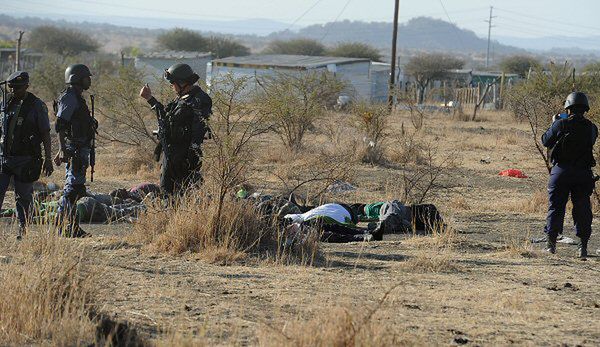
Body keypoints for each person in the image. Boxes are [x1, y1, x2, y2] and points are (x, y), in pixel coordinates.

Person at [139, 63, 212, 197]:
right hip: (171, 151)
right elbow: (166, 117)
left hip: (185, 155)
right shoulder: (181, 98)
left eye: (173, 83)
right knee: (166, 189)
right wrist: (150, 99)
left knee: (184, 191)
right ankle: (170, 214)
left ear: (181, 82)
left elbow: (199, 128)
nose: (172, 86)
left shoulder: (199, 99)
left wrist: (191, 153)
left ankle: (181, 215)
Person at [542, 91, 598, 258]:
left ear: (568, 108)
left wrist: (555, 123)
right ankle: (583, 247)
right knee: (582, 209)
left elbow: (545, 141)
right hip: (583, 174)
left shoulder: (561, 124)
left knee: (556, 207)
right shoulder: (592, 127)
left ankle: (551, 245)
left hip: (561, 172)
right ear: (585, 108)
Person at [0, 71, 53, 239]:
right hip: (5, 159)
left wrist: (48, 158)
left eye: (17, 88)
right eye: (11, 88)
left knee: (23, 198)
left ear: (26, 87)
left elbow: (45, 133)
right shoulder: (6, 103)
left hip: (26, 160)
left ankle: (23, 230)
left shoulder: (36, 105)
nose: (14, 91)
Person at [54, 64, 97, 237]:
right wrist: (62, 149)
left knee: (76, 188)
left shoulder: (77, 97)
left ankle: (69, 226)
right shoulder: (70, 97)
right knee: (73, 189)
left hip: (80, 148)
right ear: (77, 78)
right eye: (87, 77)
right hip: (76, 149)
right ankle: (63, 222)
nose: (89, 80)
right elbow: (60, 125)